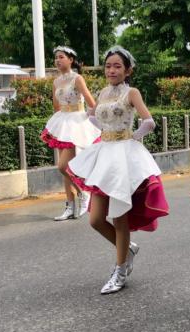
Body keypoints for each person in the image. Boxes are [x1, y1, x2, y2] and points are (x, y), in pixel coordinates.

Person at [67, 46, 169, 294]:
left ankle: (120, 270)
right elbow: (93, 116)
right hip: (105, 153)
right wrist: (102, 128)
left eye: (117, 66)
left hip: (124, 155)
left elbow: (149, 121)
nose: (111, 70)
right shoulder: (102, 92)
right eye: (108, 66)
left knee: (120, 216)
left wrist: (133, 136)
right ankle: (128, 249)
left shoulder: (132, 92)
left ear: (128, 70)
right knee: (95, 219)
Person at [41, 46, 100, 221]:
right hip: (63, 122)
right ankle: (70, 205)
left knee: (63, 166)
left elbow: (92, 104)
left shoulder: (77, 78)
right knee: (64, 168)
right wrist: (60, 120)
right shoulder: (56, 81)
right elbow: (56, 106)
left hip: (76, 123)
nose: (57, 60)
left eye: (61, 57)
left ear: (71, 60)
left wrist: (88, 120)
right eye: (56, 58)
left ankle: (83, 193)